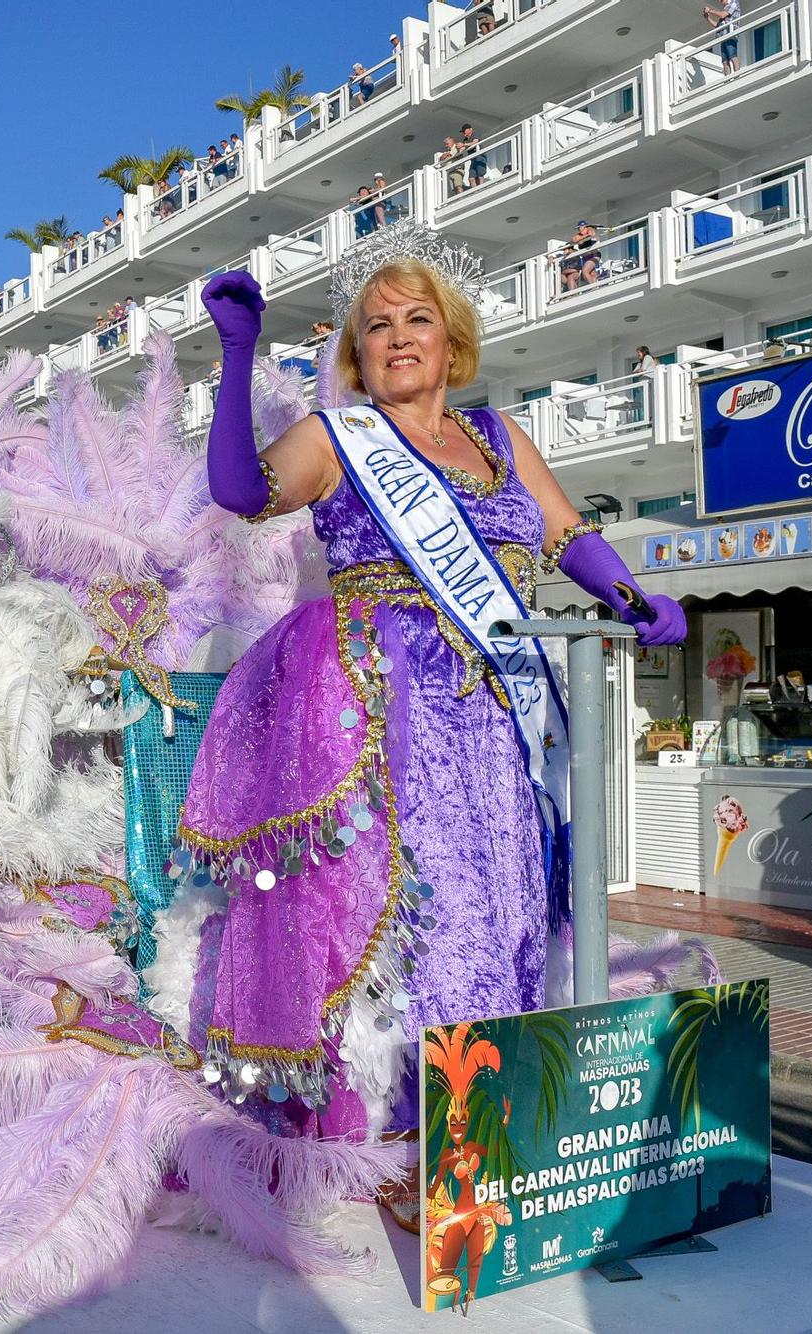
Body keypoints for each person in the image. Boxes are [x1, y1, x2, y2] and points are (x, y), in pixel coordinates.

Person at [184, 226, 685, 1226]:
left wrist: (629, 591)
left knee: (500, 909)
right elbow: (241, 493)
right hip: (373, 705)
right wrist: (240, 354)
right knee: (401, 919)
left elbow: (566, 534)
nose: (397, 336)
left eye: (416, 319)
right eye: (376, 325)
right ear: (356, 355)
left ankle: (474, 1138)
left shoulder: (500, 437)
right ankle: (408, 1141)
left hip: (493, 709)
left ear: (450, 343)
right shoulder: (338, 437)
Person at [705, 0, 741, 74]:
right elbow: (717, 25)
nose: (720, 2)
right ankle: (727, 80)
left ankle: (737, 76)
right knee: (725, 61)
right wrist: (708, 18)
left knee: (733, 56)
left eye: (721, 0)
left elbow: (723, 15)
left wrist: (710, 11)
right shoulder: (726, 8)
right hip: (723, 37)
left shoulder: (734, 2)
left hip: (730, 35)